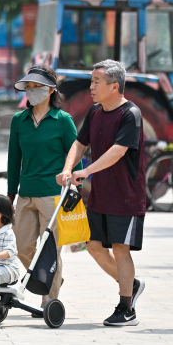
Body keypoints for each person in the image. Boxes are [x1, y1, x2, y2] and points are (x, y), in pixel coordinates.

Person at [57, 59, 145, 327]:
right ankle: (130, 284)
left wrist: (85, 171)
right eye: (91, 81)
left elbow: (118, 152)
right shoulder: (95, 112)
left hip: (126, 196)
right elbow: (79, 143)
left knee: (120, 248)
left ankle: (126, 308)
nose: (91, 87)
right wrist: (68, 168)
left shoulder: (131, 114)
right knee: (93, 246)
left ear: (114, 86)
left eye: (97, 82)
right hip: (100, 195)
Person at [6, 65, 78, 307]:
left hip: (53, 195)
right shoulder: (19, 121)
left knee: (51, 251)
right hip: (26, 193)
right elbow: (14, 159)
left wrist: (74, 185)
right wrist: (10, 194)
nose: (32, 91)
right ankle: (53, 279)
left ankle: (50, 301)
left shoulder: (63, 120)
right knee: (23, 248)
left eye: (37, 87)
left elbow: (75, 154)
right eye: (29, 87)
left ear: (51, 90)